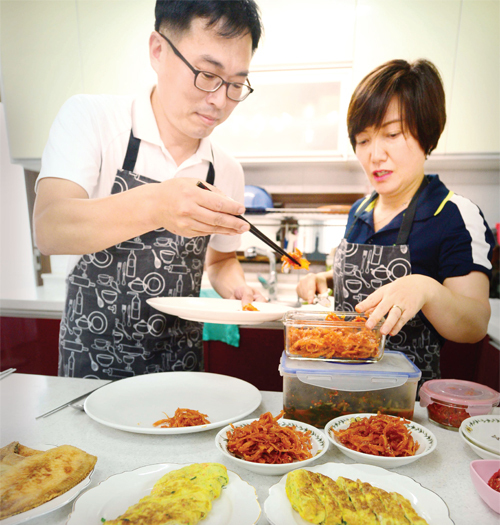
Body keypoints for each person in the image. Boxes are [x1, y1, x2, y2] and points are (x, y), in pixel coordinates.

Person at [33, 0, 266, 379]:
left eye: (237, 84)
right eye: (207, 74)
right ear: (158, 50)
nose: (220, 101)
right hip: (91, 367)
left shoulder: (226, 169)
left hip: (180, 370)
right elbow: (49, 227)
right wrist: (159, 203)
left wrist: (238, 289)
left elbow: (221, 261)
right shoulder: (92, 120)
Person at [296, 59, 495, 384]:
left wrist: (425, 288)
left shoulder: (454, 213)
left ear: (426, 134)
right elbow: (370, 282)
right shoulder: (360, 209)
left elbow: (475, 325)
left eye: (391, 134)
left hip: (404, 399)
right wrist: (330, 279)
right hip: (338, 380)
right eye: (363, 140)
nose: (375, 155)